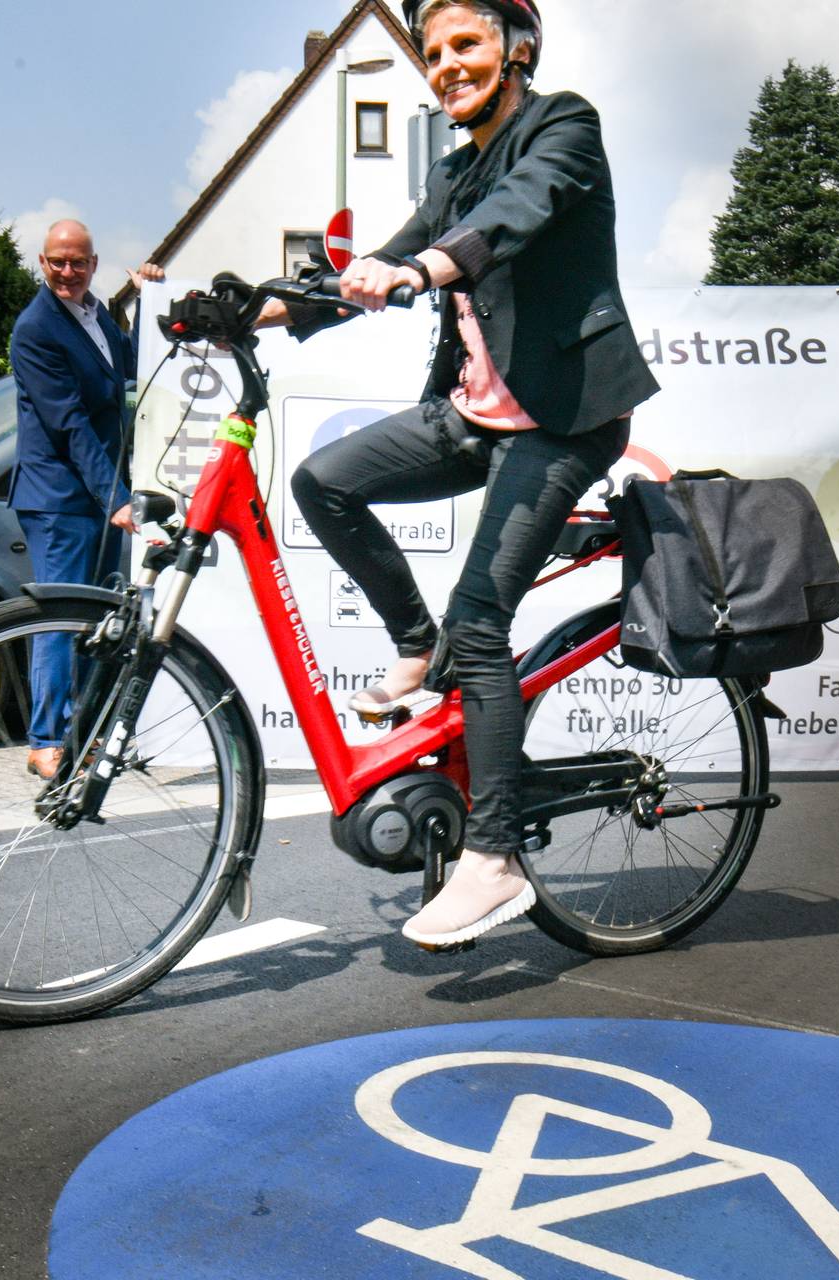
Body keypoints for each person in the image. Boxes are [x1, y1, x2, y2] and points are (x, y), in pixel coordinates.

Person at [218, 0, 655, 948]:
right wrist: (264, 308)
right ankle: (413, 643)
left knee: (483, 620)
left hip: (566, 418)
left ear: (517, 49)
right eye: (433, 51)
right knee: (324, 479)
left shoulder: (564, 126)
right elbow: (380, 260)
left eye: (467, 45)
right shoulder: (452, 168)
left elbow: (516, 212)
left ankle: (494, 857)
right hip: (475, 416)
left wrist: (424, 270)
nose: (445, 64)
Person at [11, 219, 160, 779]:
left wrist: (151, 302)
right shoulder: (36, 329)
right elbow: (69, 424)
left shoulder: (97, 314)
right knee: (60, 620)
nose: (67, 272)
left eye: (77, 262)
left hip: (95, 497)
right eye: (57, 262)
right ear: (43, 263)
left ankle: (88, 738)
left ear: (94, 264)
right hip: (58, 499)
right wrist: (115, 498)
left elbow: (133, 365)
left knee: (99, 619)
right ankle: (46, 742)